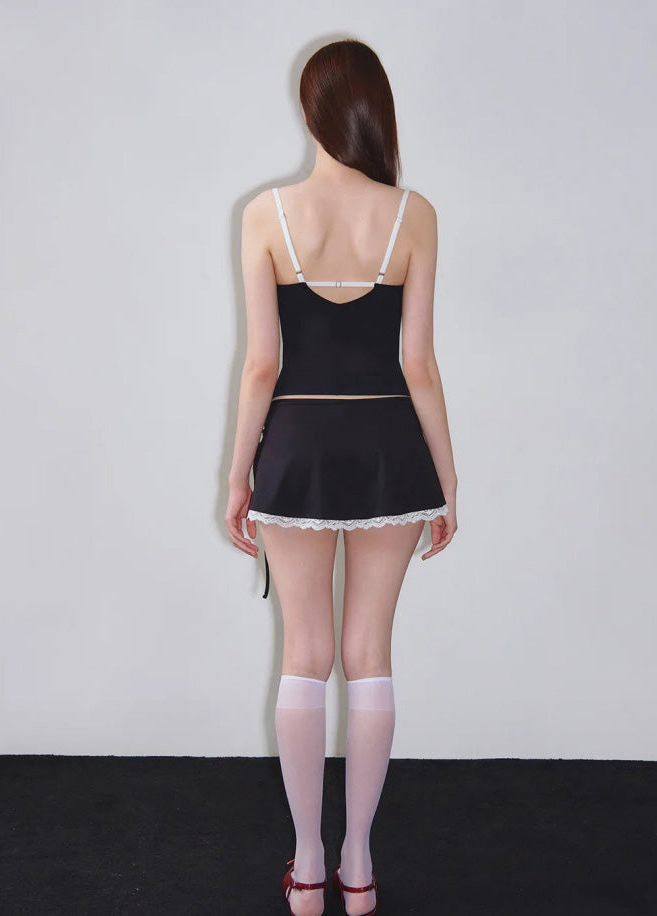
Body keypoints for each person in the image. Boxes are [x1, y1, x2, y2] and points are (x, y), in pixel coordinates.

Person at [226, 38, 458, 916]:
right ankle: (359, 866)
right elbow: (419, 363)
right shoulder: (413, 215)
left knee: (306, 655)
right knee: (369, 656)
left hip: (297, 446)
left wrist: (239, 476)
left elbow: (261, 365)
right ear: (375, 111)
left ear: (310, 109)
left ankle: (309, 866)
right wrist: (446, 480)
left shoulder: (266, 215)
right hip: (390, 445)